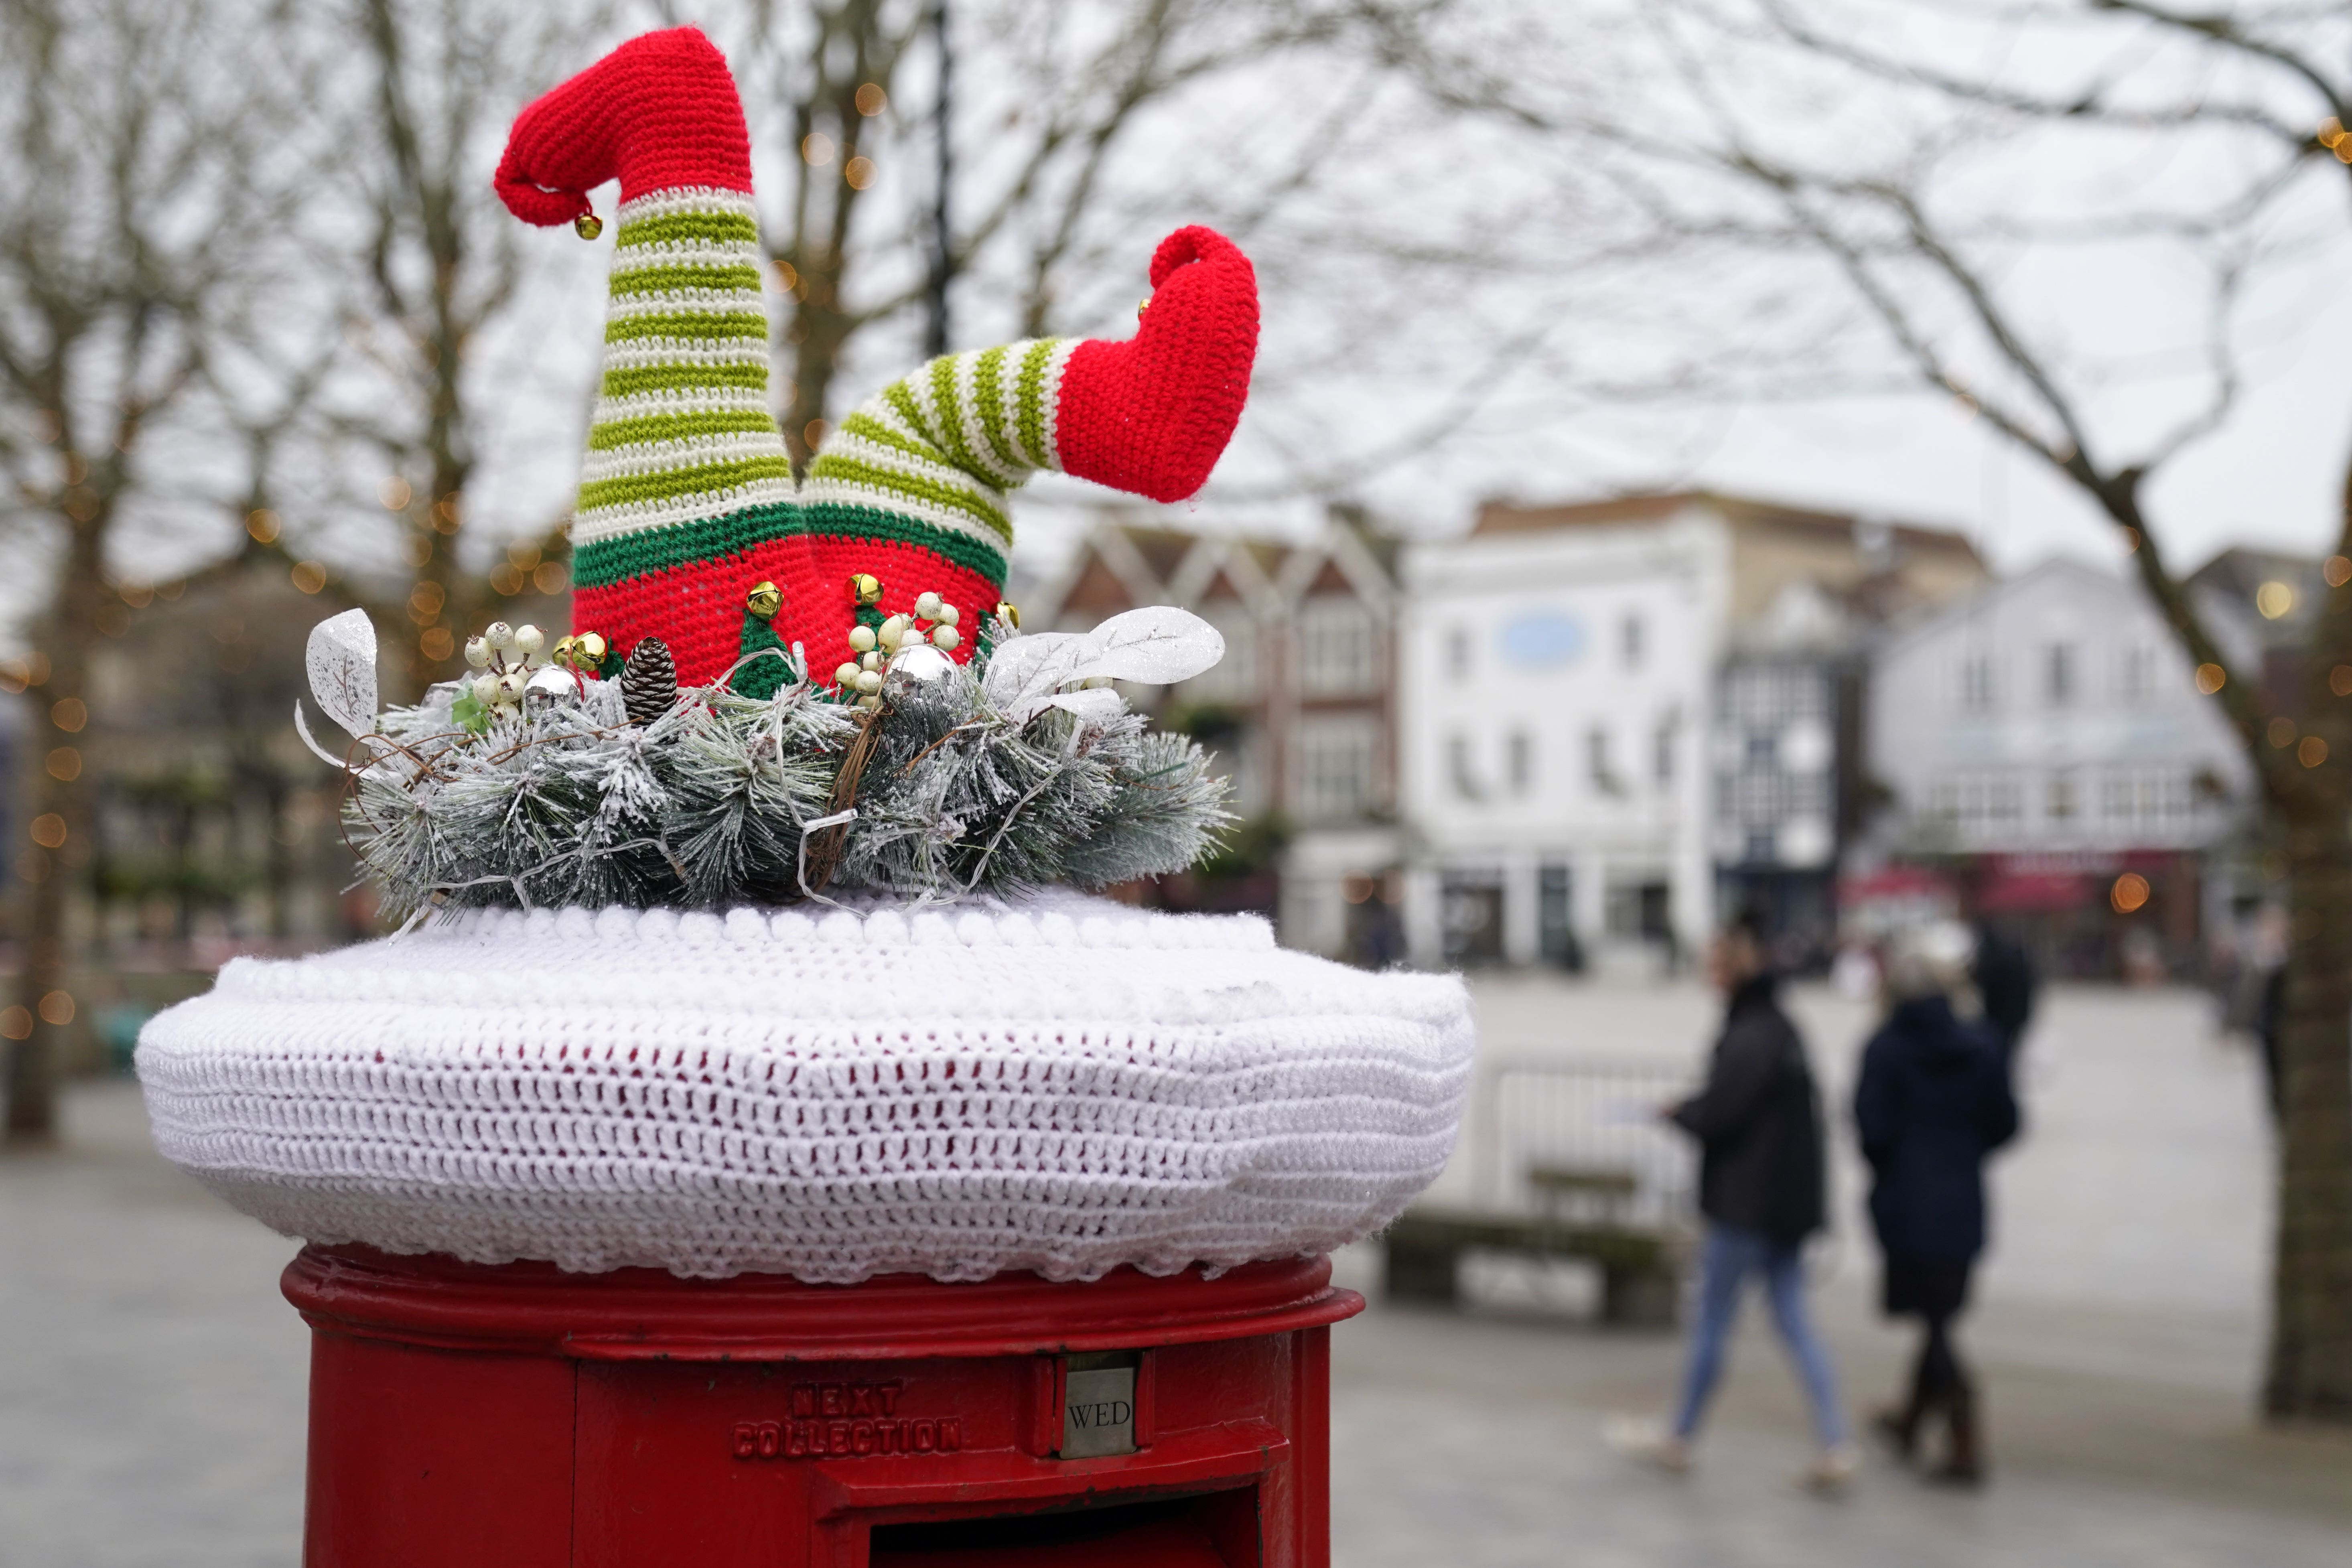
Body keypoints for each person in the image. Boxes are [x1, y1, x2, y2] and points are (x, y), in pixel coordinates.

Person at [1607, 911, 1857, 1492]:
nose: (1706, 972)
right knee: (1794, 1318)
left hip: (1748, 1204)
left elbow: (1724, 1114)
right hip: (1787, 1205)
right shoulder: (1782, 1026)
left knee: (1715, 1320)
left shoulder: (1750, 1032)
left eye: (1713, 961)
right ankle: (1835, 1439)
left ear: (1731, 965)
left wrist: (1678, 1112)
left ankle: (1681, 1436)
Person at [1855, 920, 2020, 1486]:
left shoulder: (1885, 1048)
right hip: (1961, 1198)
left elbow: (1870, 1128)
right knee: (1938, 1315)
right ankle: (1911, 1420)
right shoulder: (1984, 1046)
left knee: (1936, 1321)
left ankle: (1965, 1437)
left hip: (1905, 1199)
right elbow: (2007, 1123)